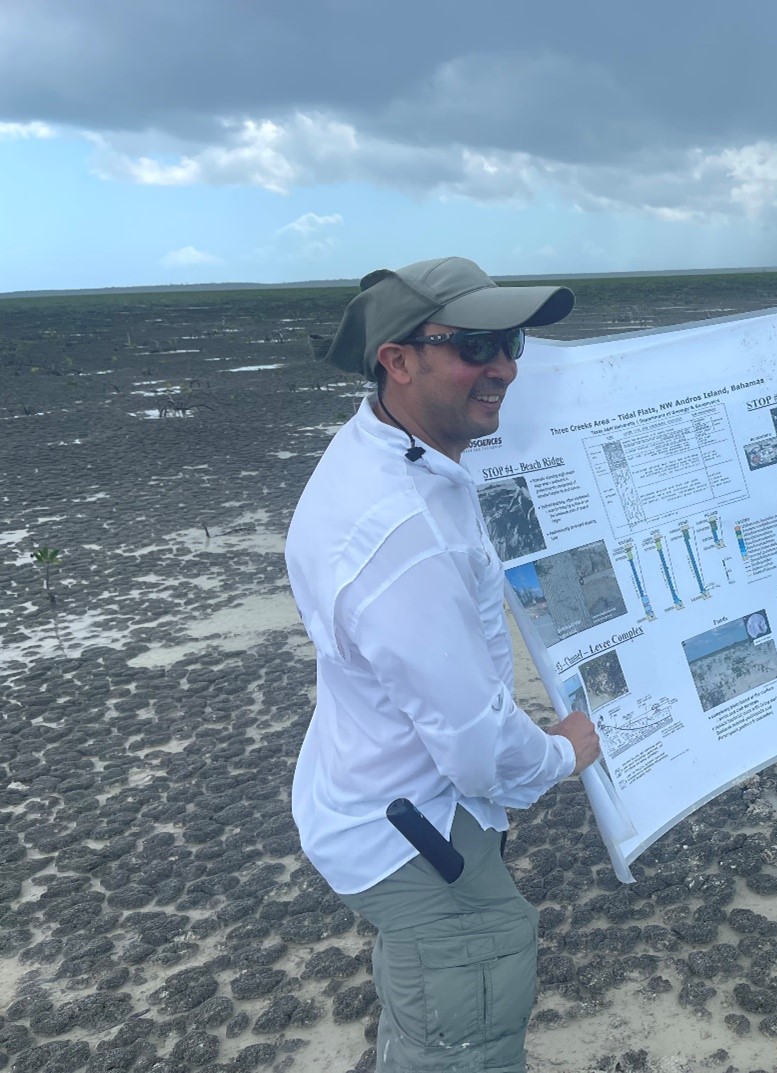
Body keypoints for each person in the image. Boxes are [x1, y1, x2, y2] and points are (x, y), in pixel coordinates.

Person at [286, 256, 601, 1072]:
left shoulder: (381, 452)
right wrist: (566, 749)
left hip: (369, 796)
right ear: (397, 358)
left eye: (513, 339)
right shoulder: (401, 533)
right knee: (465, 1023)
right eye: (475, 344)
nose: (504, 365)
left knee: (423, 1008)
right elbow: (473, 744)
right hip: (416, 833)